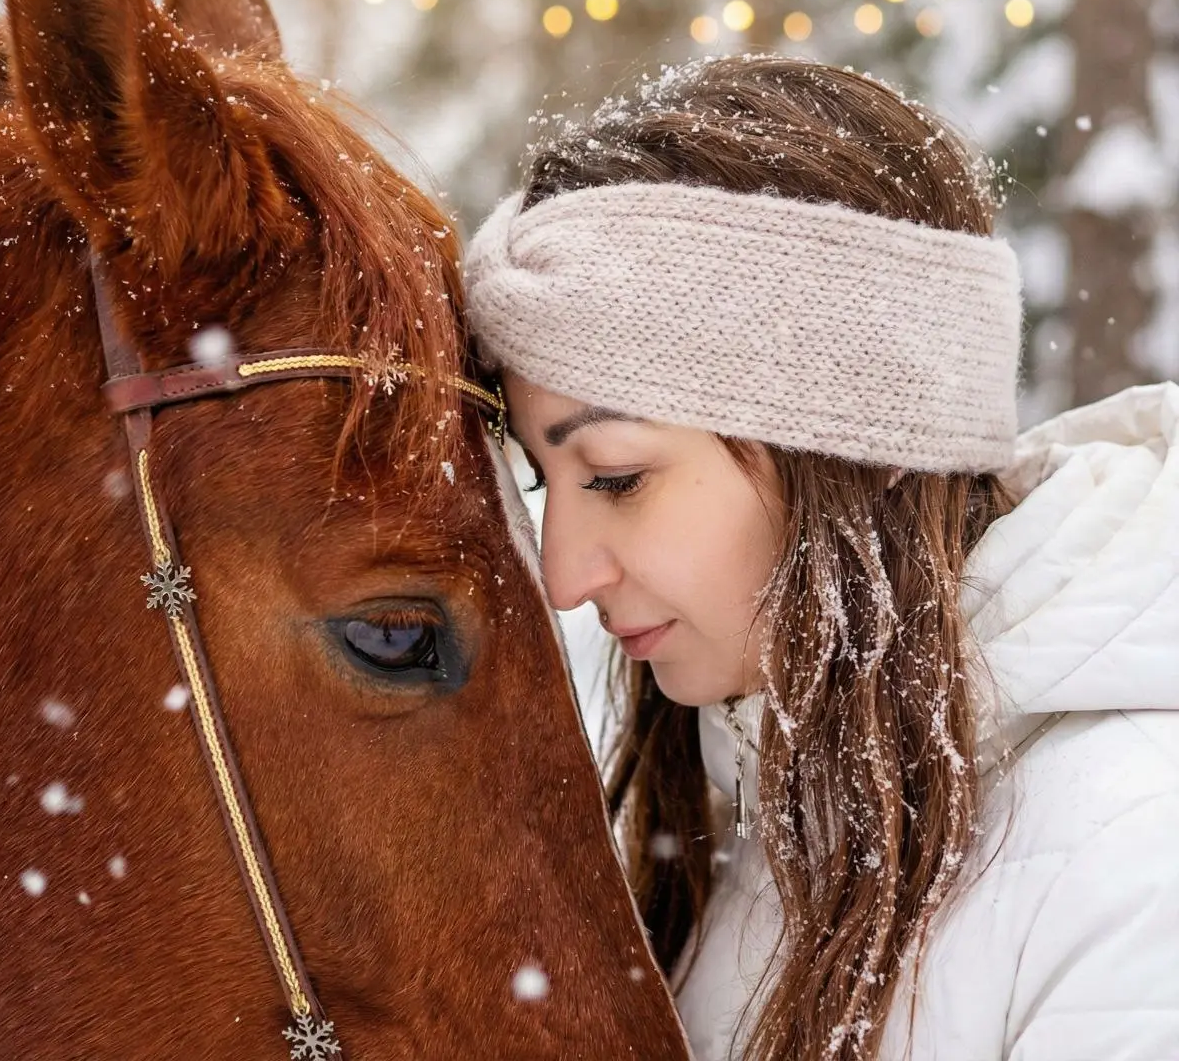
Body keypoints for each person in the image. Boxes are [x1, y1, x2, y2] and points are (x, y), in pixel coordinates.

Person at [463, 54, 1179, 1061]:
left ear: (857, 451)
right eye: (545, 481)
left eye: (617, 475)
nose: (565, 573)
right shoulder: (737, 814)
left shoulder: (1135, 860)